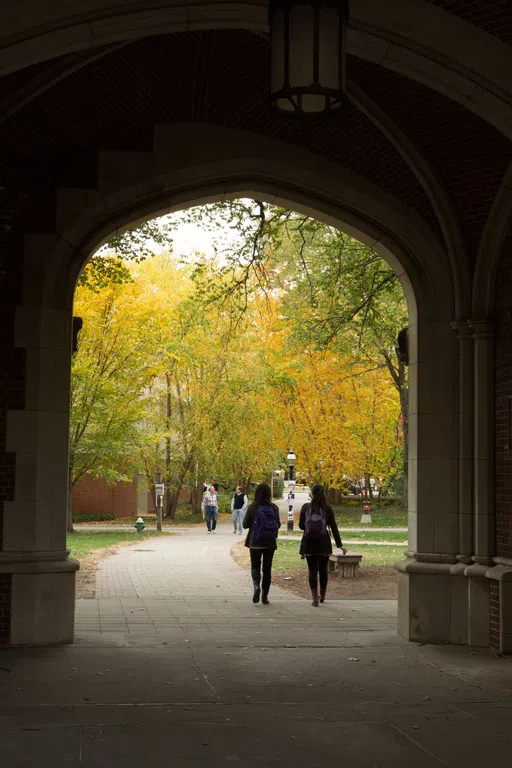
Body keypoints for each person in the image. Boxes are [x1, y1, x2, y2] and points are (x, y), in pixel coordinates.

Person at [299, 483, 347, 606]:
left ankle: (314, 598)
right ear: (323, 493)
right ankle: (323, 595)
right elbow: (334, 527)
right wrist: (340, 545)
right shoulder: (327, 508)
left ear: (312, 493)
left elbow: (301, 526)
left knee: (312, 570)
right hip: (323, 543)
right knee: (323, 570)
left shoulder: (306, 507)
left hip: (309, 543)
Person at [243, 483, 281, 605]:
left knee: (255, 566)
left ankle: (256, 586)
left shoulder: (253, 507)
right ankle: (265, 596)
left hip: (255, 542)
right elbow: (278, 524)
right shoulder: (274, 507)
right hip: (270, 542)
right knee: (267, 569)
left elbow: (245, 524)